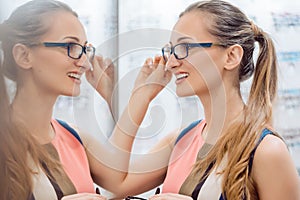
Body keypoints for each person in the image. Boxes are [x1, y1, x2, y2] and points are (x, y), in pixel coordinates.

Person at [116, 0, 300, 200]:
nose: (170, 63)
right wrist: (140, 97)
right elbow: (114, 186)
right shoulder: (179, 142)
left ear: (231, 56)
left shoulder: (267, 151)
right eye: (171, 50)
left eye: (184, 47)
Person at [0, 0, 171, 199]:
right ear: (24, 55)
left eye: (85, 49)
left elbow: (120, 182)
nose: (84, 63)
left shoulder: (75, 139)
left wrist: (116, 94)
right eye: (70, 46)